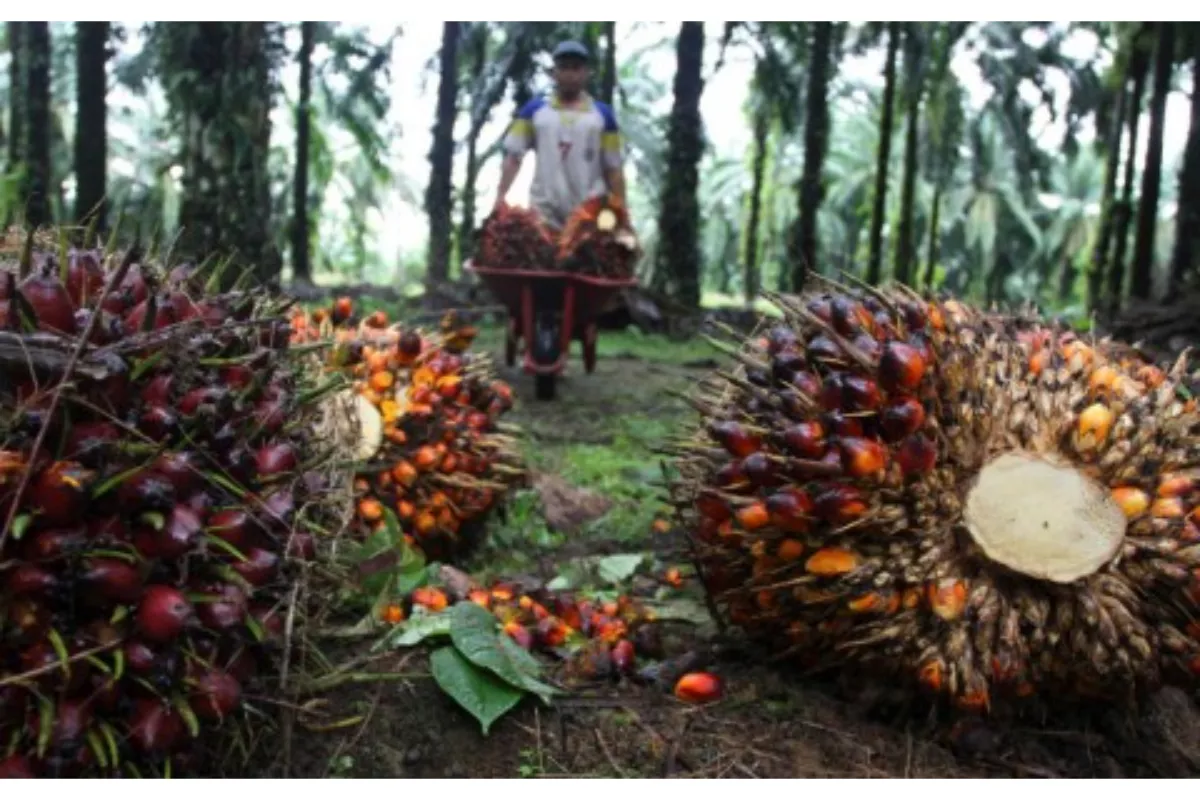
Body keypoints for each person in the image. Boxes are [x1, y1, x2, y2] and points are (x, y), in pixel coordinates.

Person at [493, 40, 627, 231]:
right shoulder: (535, 111)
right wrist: (499, 199)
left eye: (576, 68)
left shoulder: (602, 116)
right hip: (543, 215)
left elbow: (613, 169)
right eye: (564, 68)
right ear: (553, 73)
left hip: (590, 215)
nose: (570, 74)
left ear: (586, 73)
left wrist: (622, 214)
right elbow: (513, 157)